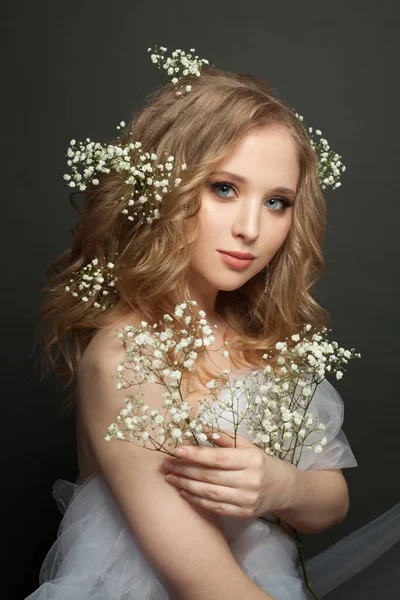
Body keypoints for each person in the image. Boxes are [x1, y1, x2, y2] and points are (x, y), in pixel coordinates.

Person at [27, 49, 399, 600]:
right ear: (165, 187)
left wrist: (279, 484)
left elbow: (331, 501)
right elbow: (210, 588)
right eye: (223, 188)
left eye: (277, 202)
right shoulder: (126, 357)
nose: (250, 228)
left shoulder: (259, 336)